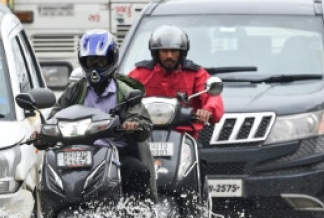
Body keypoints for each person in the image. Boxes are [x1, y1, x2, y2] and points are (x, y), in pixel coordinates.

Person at [46, 29, 157, 202]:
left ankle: (138, 215)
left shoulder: (125, 92)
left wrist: (134, 123)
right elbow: (55, 116)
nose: (95, 68)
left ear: (112, 59)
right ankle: (48, 215)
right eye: (91, 61)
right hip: (77, 155)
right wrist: (42, 132)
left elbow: (143, 120)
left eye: (101, 61)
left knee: (137, 171)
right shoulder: (75, 91)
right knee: (48, 174)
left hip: (116, 155)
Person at [128, 24, 224, 139]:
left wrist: (207, 110)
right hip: (145, 135)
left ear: (182, 52)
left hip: (184, 136)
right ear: (156, 52)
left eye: (174, 51)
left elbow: (212, 97)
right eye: (164, 51)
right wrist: (128, 117)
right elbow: (123, 95)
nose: (169, 56)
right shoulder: (140, 73)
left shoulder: (196, 74)